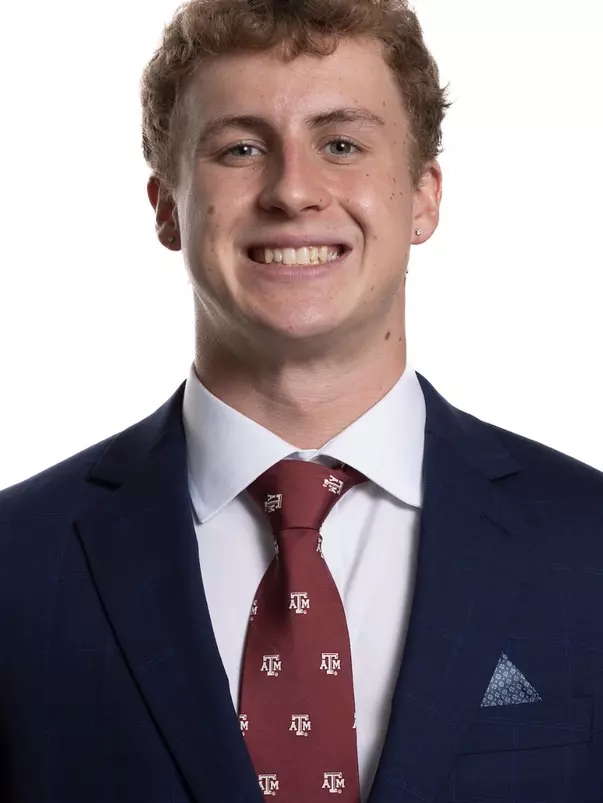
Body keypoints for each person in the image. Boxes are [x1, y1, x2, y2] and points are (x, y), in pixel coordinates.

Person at [1, 0, 602, 801]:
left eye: (341, 144)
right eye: (241, 147)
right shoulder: (16, 563)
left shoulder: (588, 543)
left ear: (422, 197)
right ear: (165, 207)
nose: (293, 190)